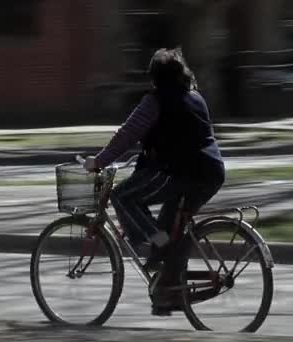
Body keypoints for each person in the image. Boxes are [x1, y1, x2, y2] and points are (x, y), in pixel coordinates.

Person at [84, 47, 225, 315]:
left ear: (155, 78)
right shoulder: (195, 97)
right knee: (170, 227)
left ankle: (158, 249)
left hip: (181, 172)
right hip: (211, 171)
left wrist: (99, 161)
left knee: (122, 196)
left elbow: (127, 134)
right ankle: (167, 294)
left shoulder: (156, 100)